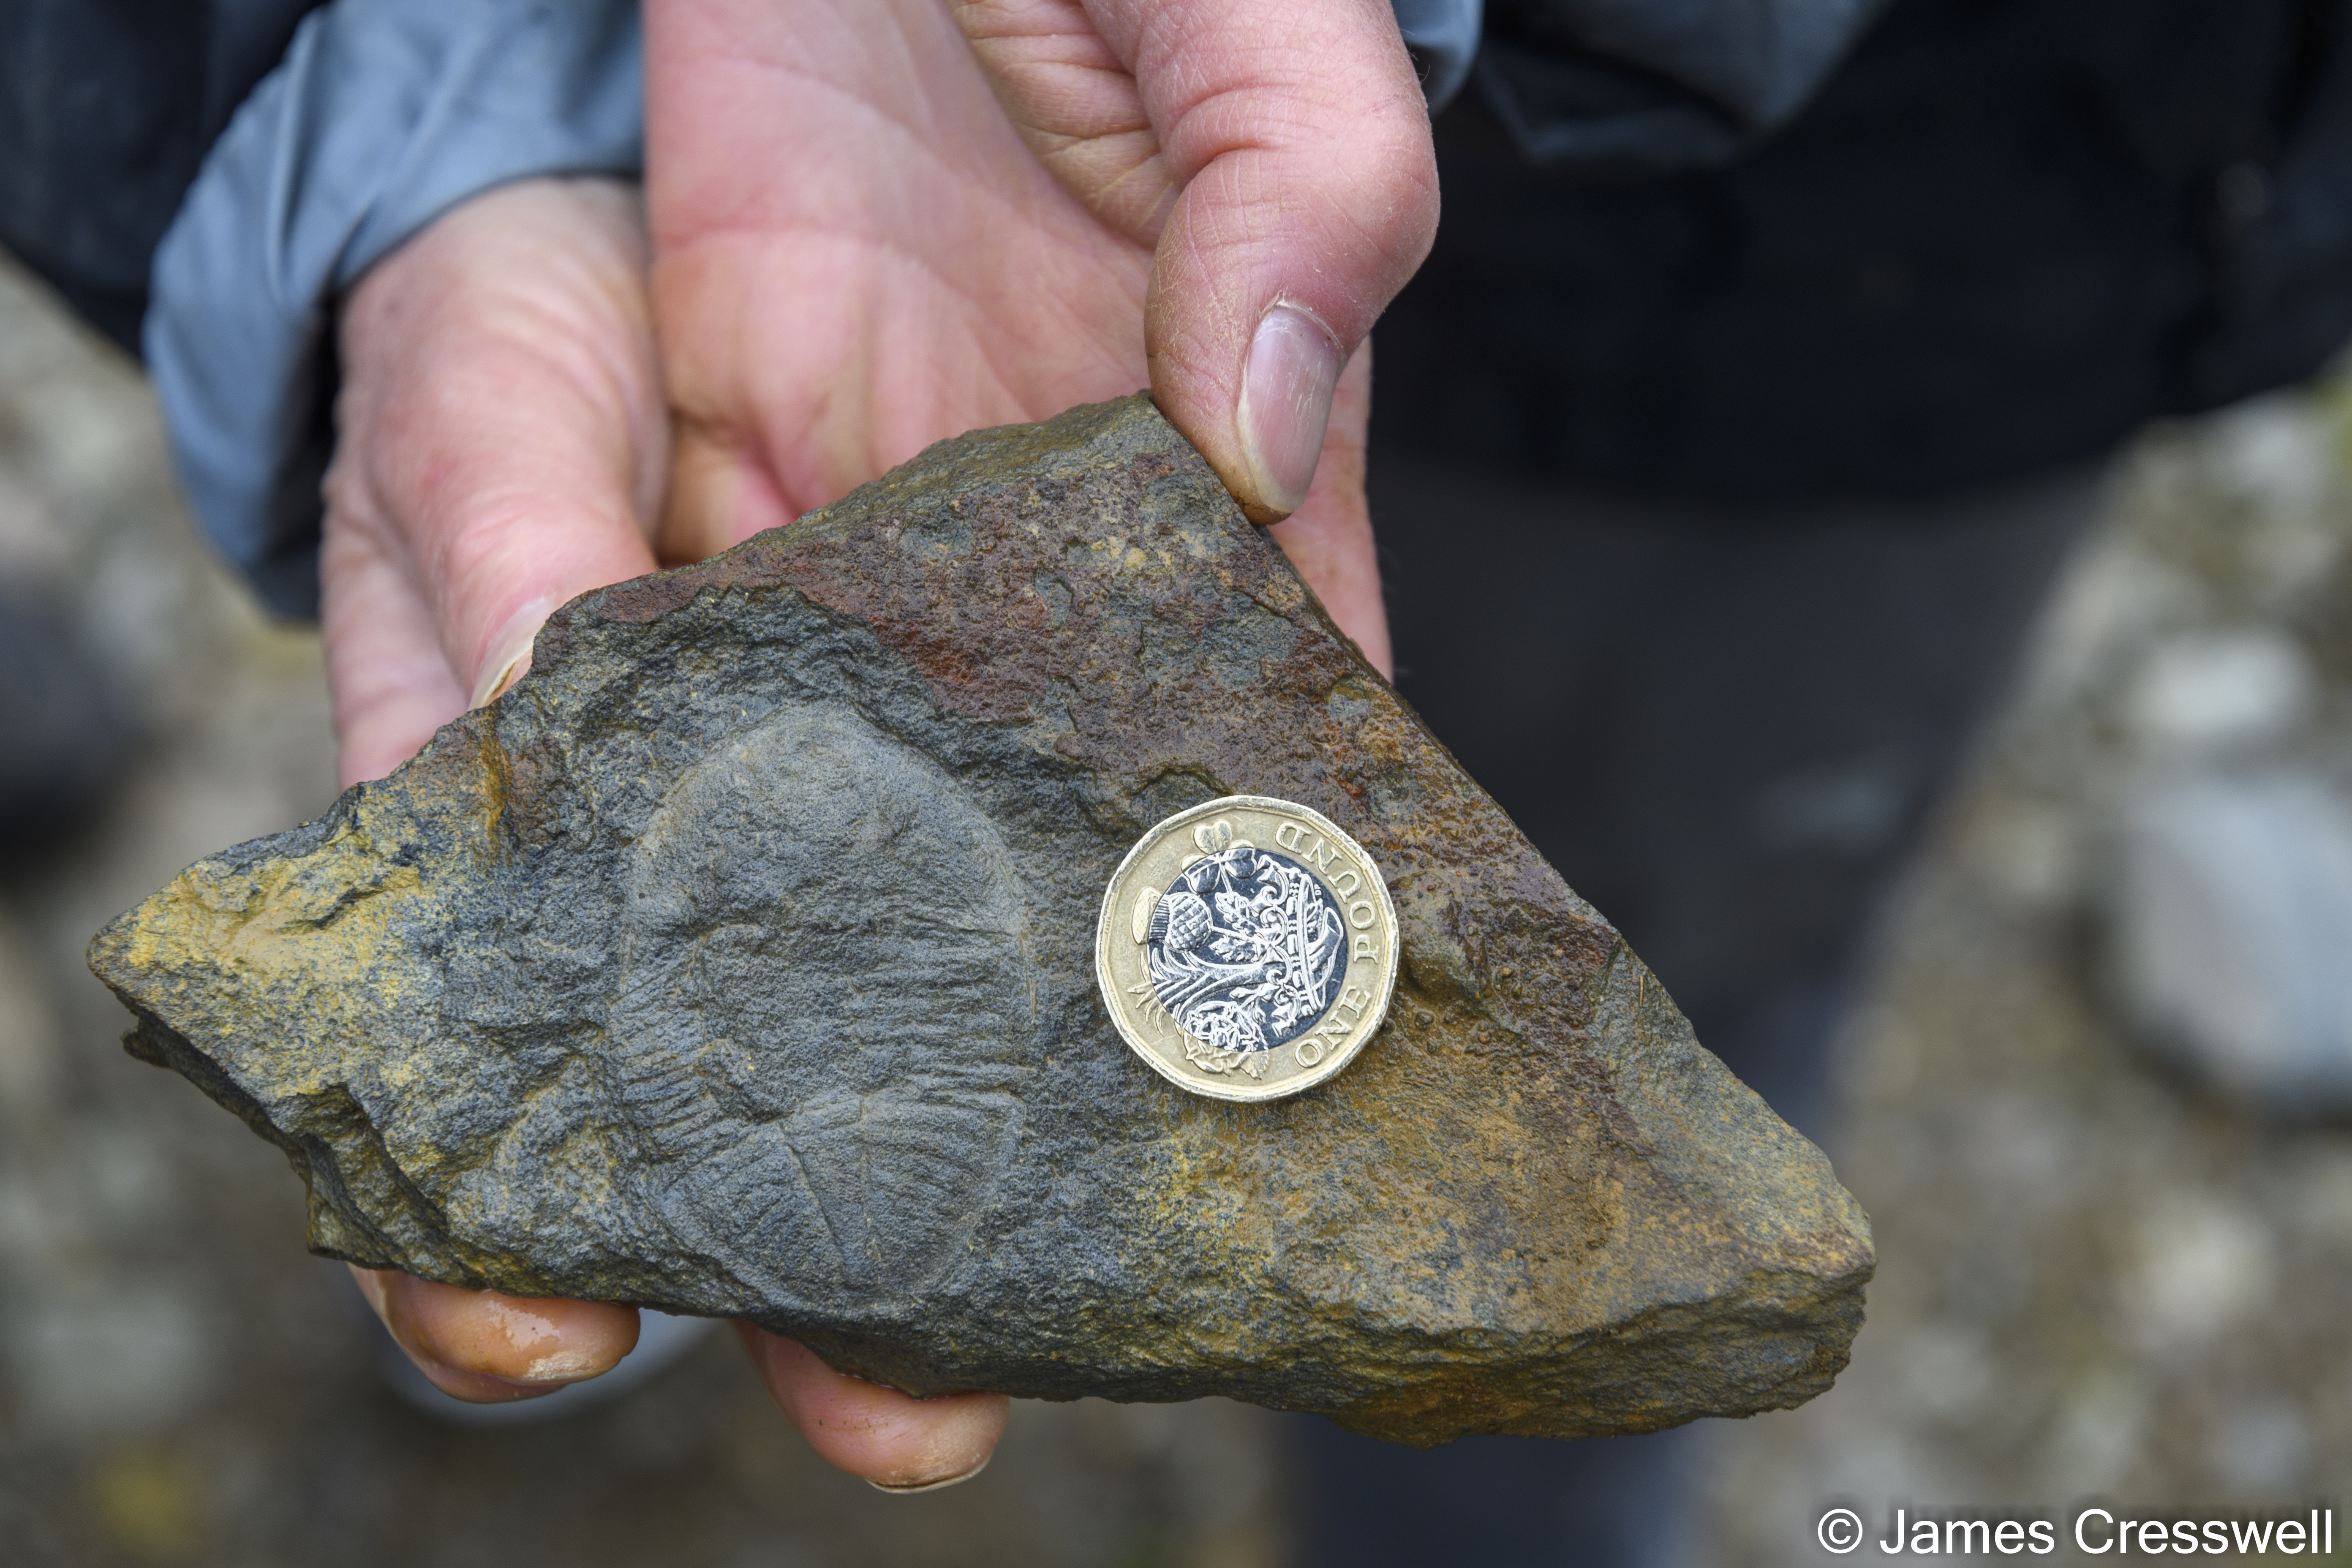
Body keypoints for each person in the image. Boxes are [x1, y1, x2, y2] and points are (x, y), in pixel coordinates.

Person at [5, 0, 2350, 1557]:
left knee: (1693, 945)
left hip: (1934, 233)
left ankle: (1514, 1485)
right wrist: (404, 65)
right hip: (1005, 179)